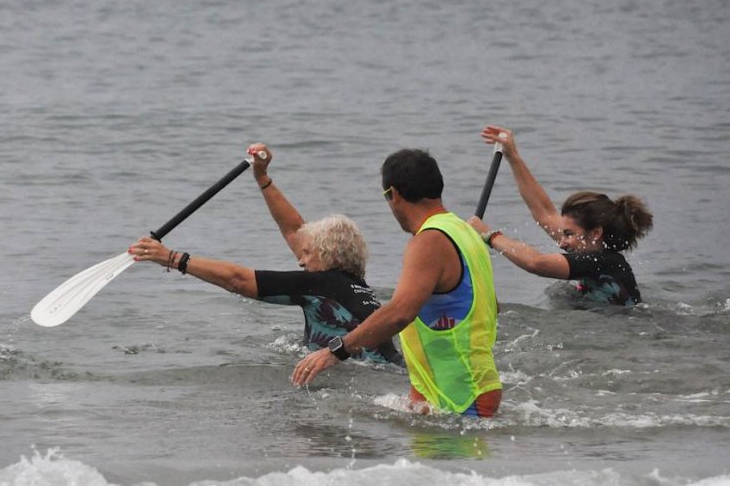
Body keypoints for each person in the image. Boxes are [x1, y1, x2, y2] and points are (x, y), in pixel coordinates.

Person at [129, 144, 403, 365]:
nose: (300, 259)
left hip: (370, 374)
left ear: (329, 257)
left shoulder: (322, 284)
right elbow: (295, 229)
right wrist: (262, 177)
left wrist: (172, 258)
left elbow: (238, 280)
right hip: (391, 370)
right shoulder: (349, 285)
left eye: (307, 253)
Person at [292, 149, 502, 418]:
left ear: (394, 194)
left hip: (460, 394)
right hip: (464, 385)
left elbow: (400, 312)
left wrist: (337, 349)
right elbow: (491, 306)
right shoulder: (466, 232)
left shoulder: (429, 240)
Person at [468, 126, 654, 306]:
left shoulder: (603, 261)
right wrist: (513, 156)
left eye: (569, 234)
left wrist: (490, 235)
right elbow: (544, 212)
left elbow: (536, 263)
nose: (562, 242)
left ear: (596, 233)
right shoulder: (589, 246)